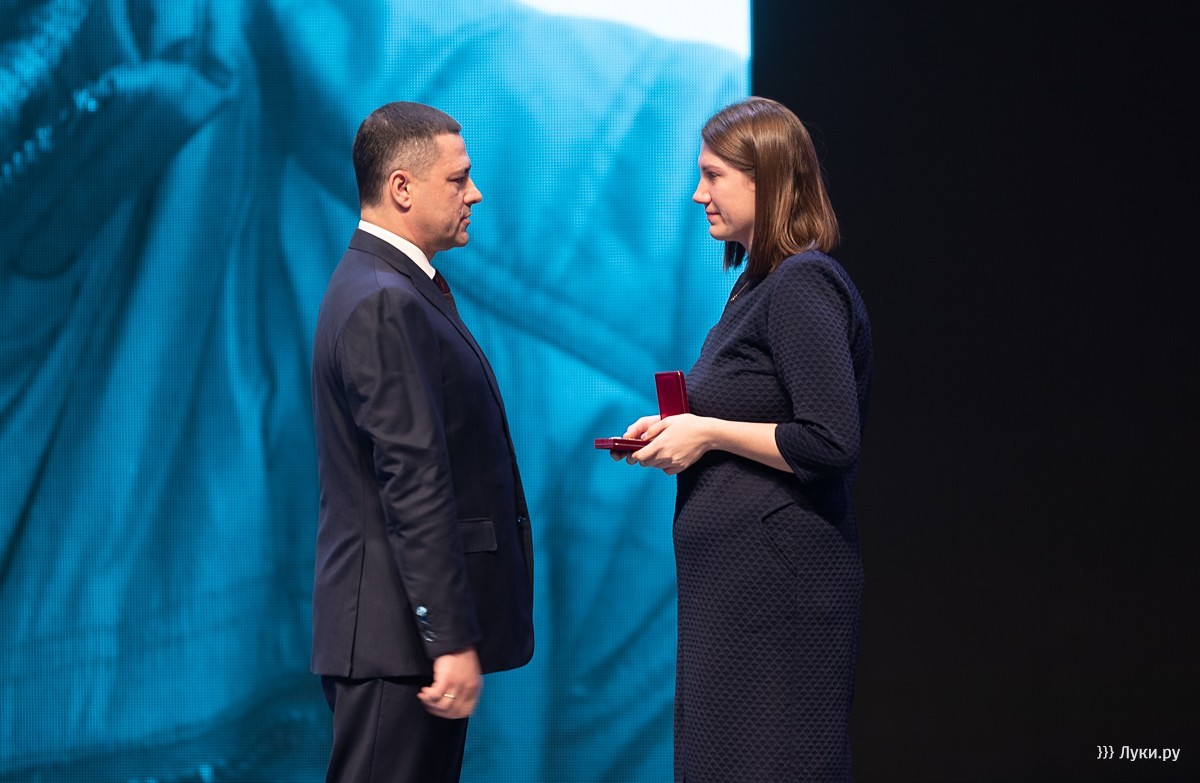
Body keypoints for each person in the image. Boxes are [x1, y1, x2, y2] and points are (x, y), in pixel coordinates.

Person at [616, 97, 873, 782]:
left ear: (768, 180)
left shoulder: (803, 281)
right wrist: (679, 428)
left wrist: (706, 431)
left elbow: (830, 439)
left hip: (779, 601)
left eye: (713, 176)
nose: (698, 194)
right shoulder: (753, 288)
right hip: (738, 598)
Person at [310, 101, 534, 783]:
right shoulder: (385, 298)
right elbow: (413, 479)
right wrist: (448, 636)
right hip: (398, 642)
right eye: (458, 179)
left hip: (402, 640)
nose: (476, 193)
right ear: (402, 187)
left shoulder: (395, 287)